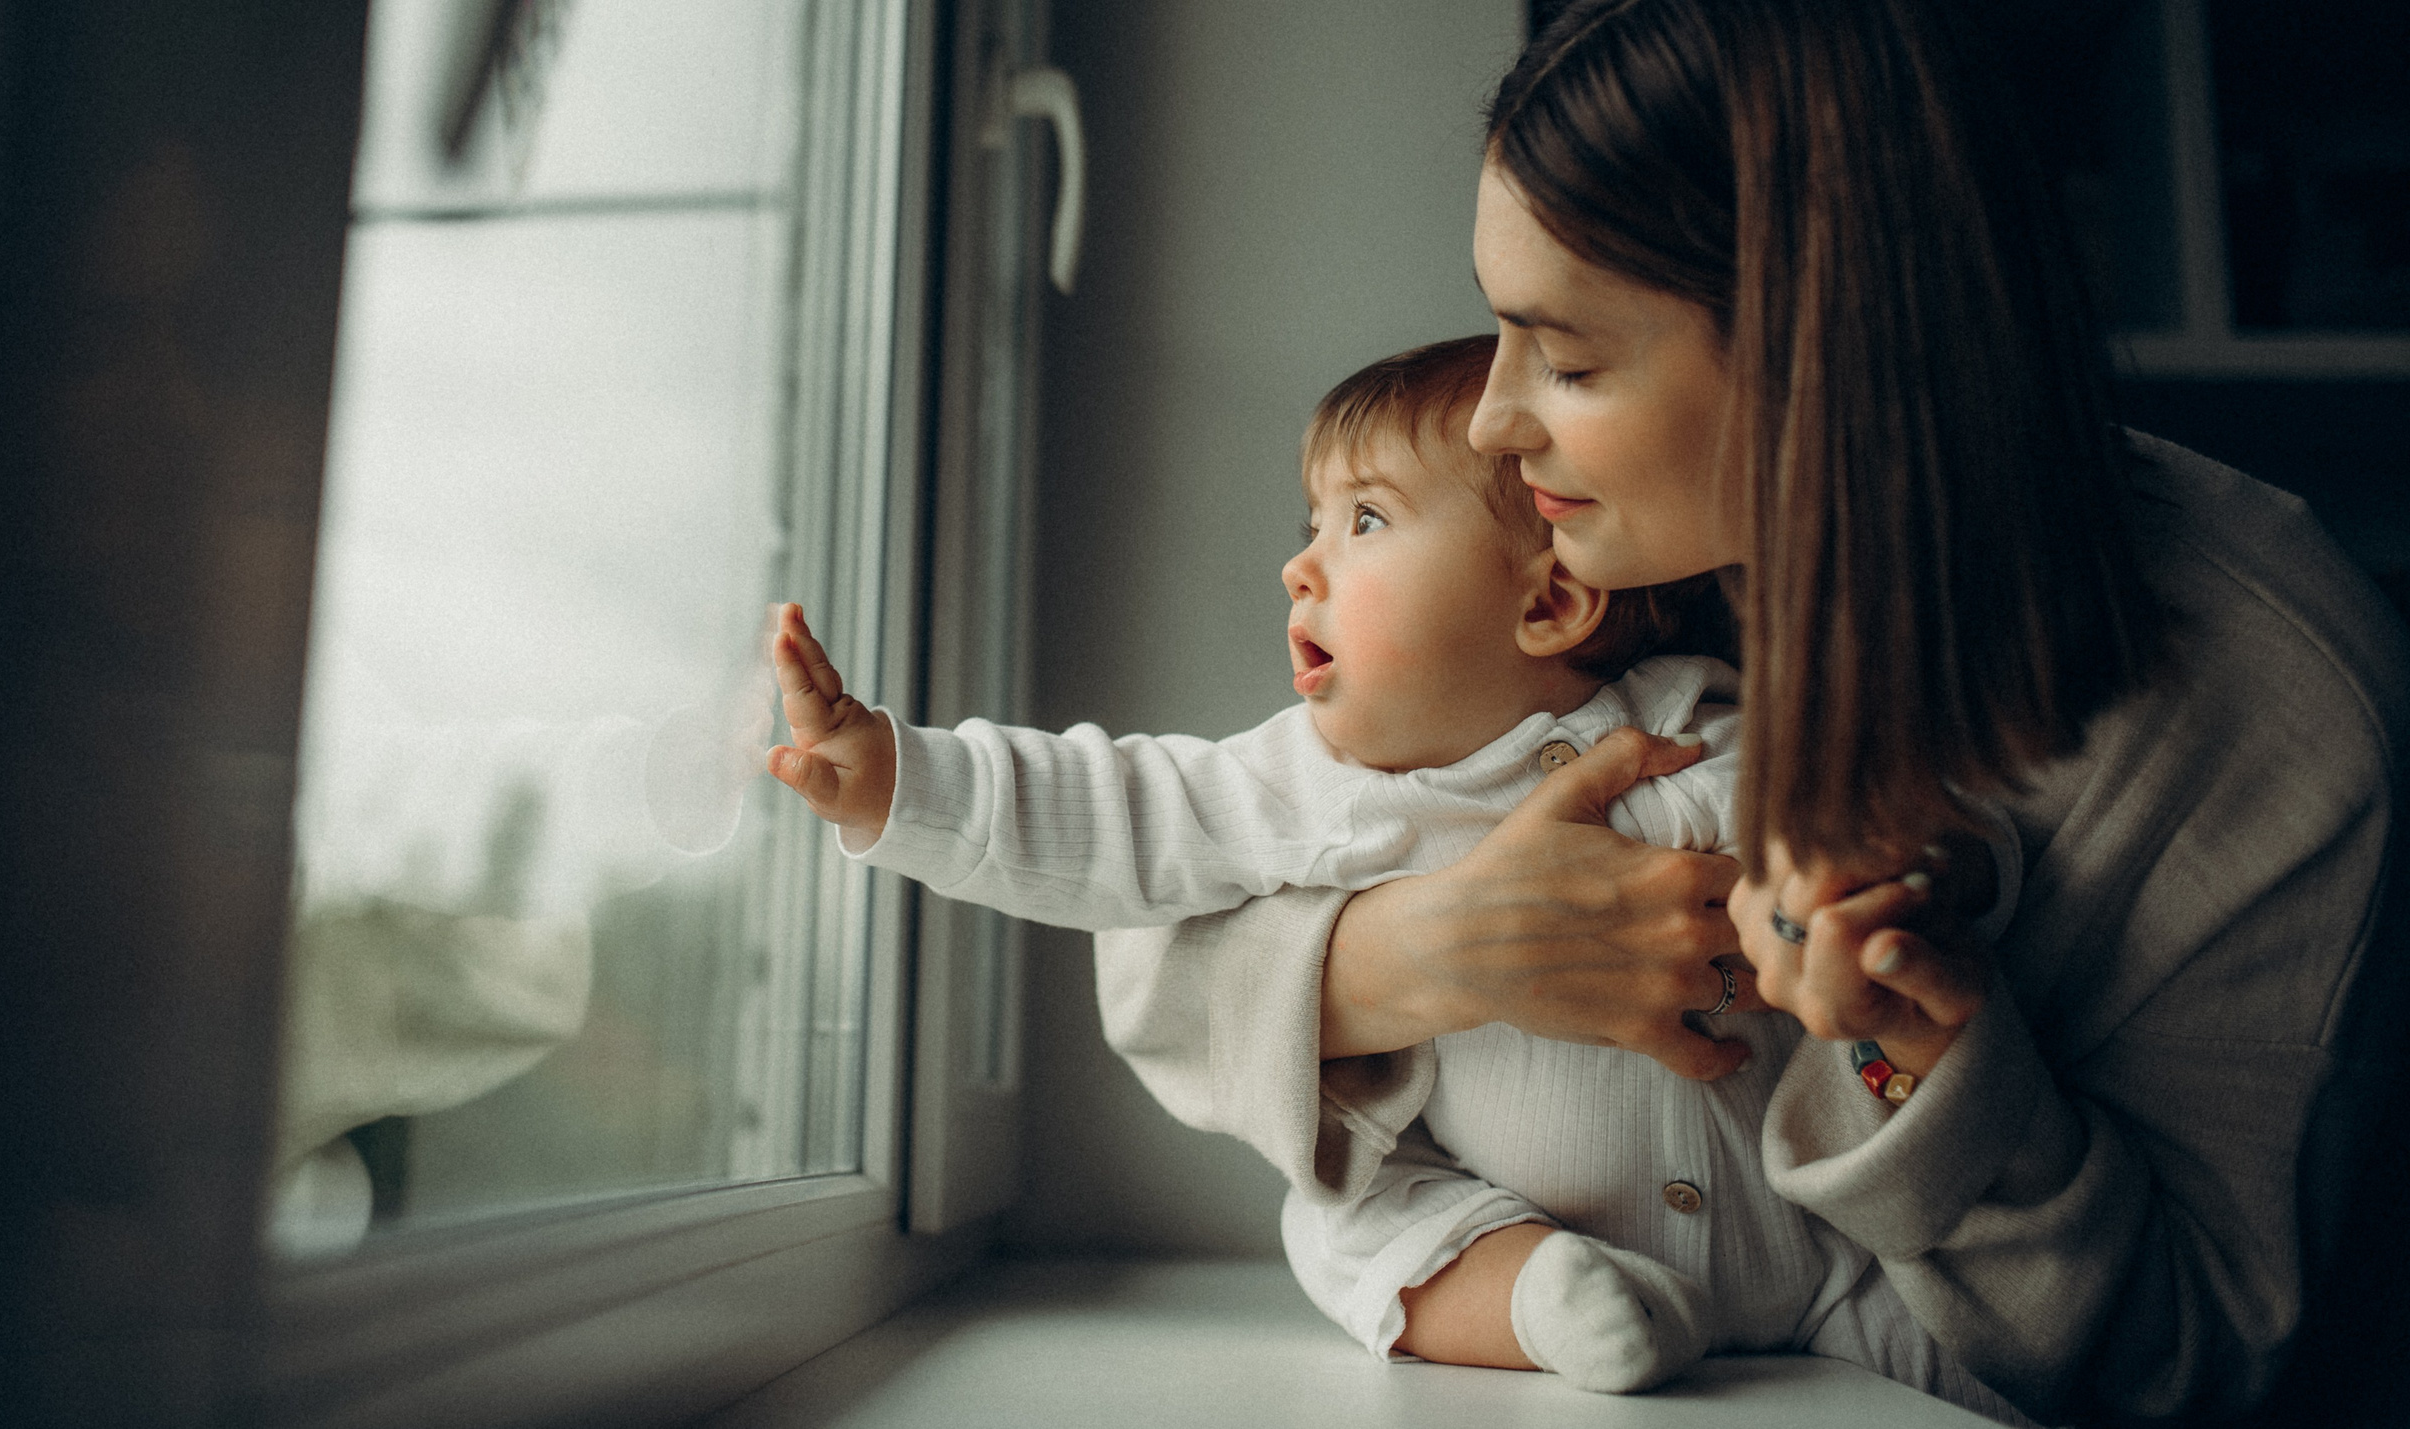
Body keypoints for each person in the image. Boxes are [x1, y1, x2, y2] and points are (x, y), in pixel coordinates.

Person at [1093, 0, 2409, 1427]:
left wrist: (1928, 1057)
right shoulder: (1603, 565)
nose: (1494, 423)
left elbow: (2189, 1371)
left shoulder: (2281, 720)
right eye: (1502, 330)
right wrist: (1440, 947)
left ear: (1814, 352)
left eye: (1567, 359)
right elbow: (1158, 937)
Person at [765, 336, 2027, 1417]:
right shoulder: (1307, 776)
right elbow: (1112, 805)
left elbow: (1895, 819)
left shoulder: (1700, 726)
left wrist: (1867, 877)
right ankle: (1540, 1303)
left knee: (1975, 1366)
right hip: (1521, 1217)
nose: (1300, 564)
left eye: (1362, 519)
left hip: (1814, 1260)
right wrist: (899, 779)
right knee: (1357, 1218)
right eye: (1310, 523)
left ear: (1550, 601)